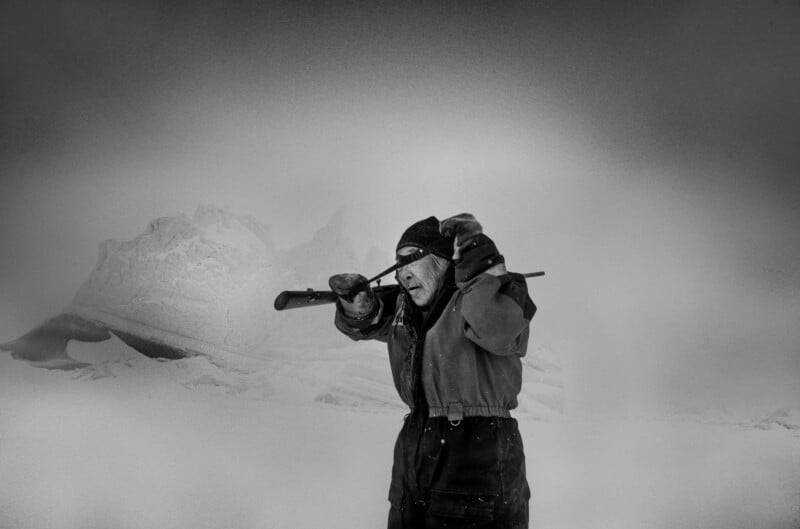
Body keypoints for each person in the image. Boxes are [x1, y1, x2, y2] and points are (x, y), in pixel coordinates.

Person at [329, 213, 536, 529]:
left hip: (477, 450)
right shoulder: (406, 308)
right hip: (415, 445)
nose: (403, 273)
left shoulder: (499, 292)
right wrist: (358, 307)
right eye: (397, 264)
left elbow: (498, 327)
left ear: (443, 260)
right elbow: (369, 321)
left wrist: (481, 262)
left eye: (411, 259)